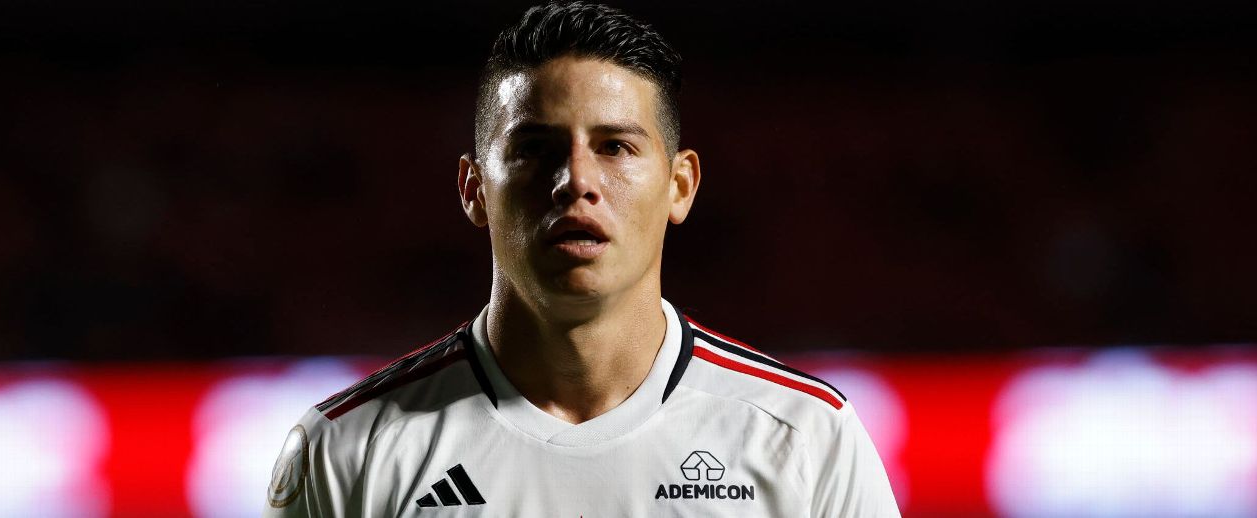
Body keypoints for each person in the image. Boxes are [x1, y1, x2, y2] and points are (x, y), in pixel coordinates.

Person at [264, 2, 900, 516]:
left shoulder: (803, 438)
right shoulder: (345, 450)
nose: (575, 179)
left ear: (680, 186)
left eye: (616, 147)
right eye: (536, 148)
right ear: (474, 189)